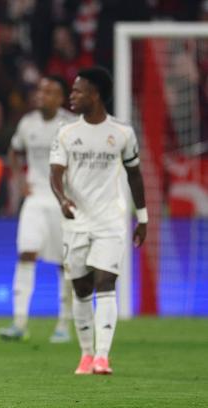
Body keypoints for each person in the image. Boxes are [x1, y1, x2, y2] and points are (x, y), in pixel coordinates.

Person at [50, 66, 147, 375]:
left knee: (106, 281)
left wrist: (142, 218)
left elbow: (135, 175)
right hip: (76, 221)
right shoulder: (66, 132)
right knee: (81, 287)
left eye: (78, 91)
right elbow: (55, 174)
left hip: (111, 220)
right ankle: (86, 353)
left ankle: (102, 356)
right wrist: (63, 199)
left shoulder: (122, 133)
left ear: (95, 94)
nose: (72, 96)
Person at [0, 76, 75, 343]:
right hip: (35, 199)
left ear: (61, 98)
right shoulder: (27, 123)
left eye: (50, 92)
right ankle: (19, 322)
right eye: (41, 91)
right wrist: (20, 182)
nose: (42, 96)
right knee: (26, 253)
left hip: (62, 200)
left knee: (65, 262)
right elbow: (14, 151)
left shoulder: (71, 125)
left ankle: (64, 324)